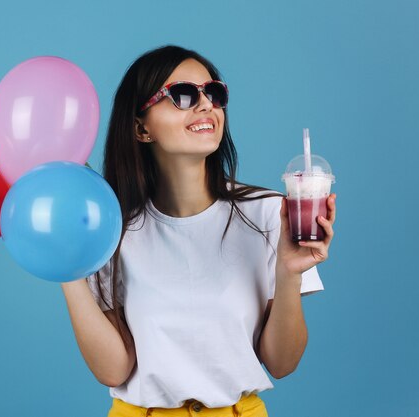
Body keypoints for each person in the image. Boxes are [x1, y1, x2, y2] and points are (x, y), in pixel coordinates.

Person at [61, 45, 337, 417]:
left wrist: (288, 273)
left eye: (215, 93)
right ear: (141, 128)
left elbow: (283, 363)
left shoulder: (271, 213)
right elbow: (113, 370)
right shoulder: (112, 230)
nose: (206, 104)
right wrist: (66, 268)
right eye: (183, 95)